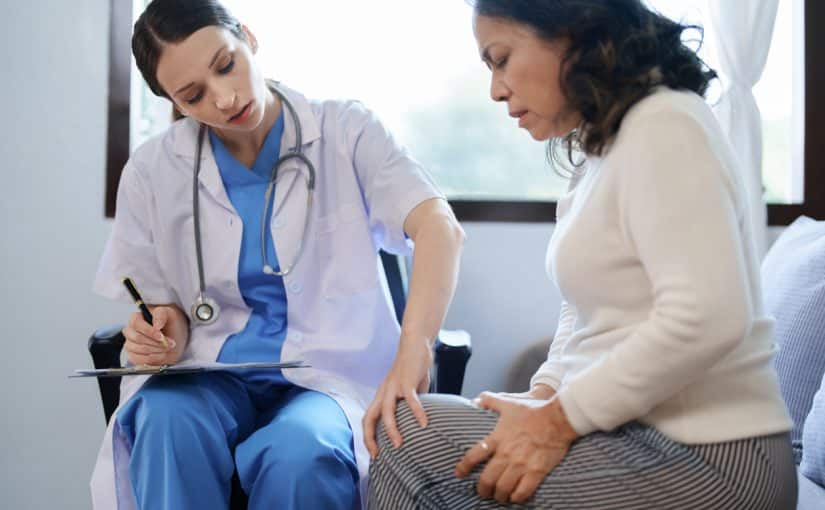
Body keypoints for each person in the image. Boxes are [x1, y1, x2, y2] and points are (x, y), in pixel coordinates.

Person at [367, 1, 797, 508]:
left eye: (501, 59)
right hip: (633, 432)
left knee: (411, 436)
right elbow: (584, 310)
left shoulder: (665, 123)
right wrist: (545, 393)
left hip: (713, 455)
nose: (495, 89)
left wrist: (559, 421)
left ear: (570, 31)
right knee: (411, 428)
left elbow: (710, 316)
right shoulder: (596, 155)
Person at [90, 1, 465, 509]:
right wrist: (162, 332)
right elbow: (163, 308)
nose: (224, 99)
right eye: (193, 95)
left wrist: (415, 348)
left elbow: (438, 227)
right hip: (210, 374)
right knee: (164, 421)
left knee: (301, 452)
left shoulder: (345, 131)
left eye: (226, 65)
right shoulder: (154, 170)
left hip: (327, 379)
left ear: (247, 36)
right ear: (170, 101)